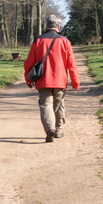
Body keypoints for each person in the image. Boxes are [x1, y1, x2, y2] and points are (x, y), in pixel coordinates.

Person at [23, 14, 80, 142]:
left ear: (46, 26)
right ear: (58, 27)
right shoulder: (65, 41)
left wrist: (28, 78)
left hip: (43, 80)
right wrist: (75, 81)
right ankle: (59, 130)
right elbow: (72, 64)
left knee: (45, 104)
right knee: (59, 104)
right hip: (60, 80)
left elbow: (29, 63)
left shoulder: (38, 41)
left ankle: (49, 129)